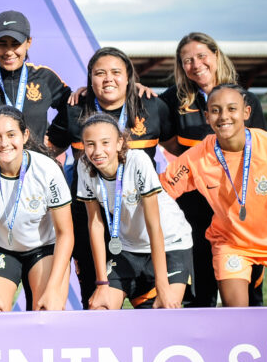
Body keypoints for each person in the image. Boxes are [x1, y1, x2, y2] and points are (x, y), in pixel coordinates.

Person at [47, 47, 176, 307]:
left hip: (139, 221)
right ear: (90, 79)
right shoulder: (74, 110)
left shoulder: (151, 105)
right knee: (96, 301)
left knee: (151, 305)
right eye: (100, 73)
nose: (108, 79)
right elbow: (46, 151)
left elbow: (180, 149)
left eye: (116, 72)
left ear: (129, 77)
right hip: (89, 218)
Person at [161, 84, 267, 307]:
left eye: (231, 109)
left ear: (246, 112)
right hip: (232, 244)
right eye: (216, 110)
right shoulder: (197, 156)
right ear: (207, 117)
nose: (223, 116)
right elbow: (161, 192)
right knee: (237, 316)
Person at [160, 33, 267, 308]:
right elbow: (156, 128)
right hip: (194, 202)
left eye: (201, 56)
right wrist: (137, 88)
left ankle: (253, 337)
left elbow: (260, 152)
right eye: (187, 60)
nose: (196, 64)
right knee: (200, 282)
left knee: (249, 284)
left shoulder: (245, 99)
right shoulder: (173, 99)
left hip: (238, 202)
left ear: (216, 55)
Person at [0, 106, 74, 311]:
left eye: (11, 135)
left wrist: (52, 288)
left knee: (49, 310)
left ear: (25, 135)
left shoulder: (47, 169)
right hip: (0, 248)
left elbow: (65, 234)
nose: (4, 143)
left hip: (43, 248)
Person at [76, 113, 194, 309]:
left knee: (166, 310)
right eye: (90, 144)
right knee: (100, 309)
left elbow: (154, 225)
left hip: (170, 243)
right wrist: (102, 283)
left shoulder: (137, 161)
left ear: (120, 142)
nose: (97, 151)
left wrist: (162, 286)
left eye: (105, 142)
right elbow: (95, 224)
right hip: (129, 247)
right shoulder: (84, 165)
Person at [0, 11, 71, 152]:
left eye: (15, 44)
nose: (9, 51)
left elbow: (72, 108)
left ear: (28, 43)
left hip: (35, 167)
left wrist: (54, 142)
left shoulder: (45, 78)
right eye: (2, 44)